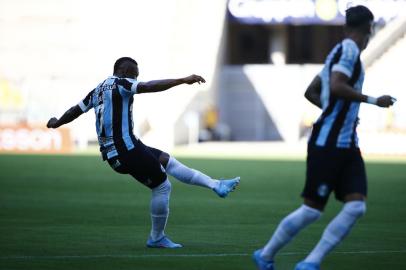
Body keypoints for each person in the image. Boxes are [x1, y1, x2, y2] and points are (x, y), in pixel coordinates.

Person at [253, 5, 396, 270]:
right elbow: (337, 86)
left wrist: (339, 111)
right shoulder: (350, 51)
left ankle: (311, 262)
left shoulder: (338, 52)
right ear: (369, 28)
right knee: (311, 210)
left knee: (356, 207)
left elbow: (312, 91)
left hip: (347, 143)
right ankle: (266, 254)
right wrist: (374, 100)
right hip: (328, 142)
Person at [47, 57, 240, 248]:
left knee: (167, 161)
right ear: (123, 71)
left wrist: (57, 122)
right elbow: (148, 86)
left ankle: (217, 185)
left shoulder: (97, 90)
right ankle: (156, 237)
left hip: (120, 150)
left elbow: (76, 110)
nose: (136, 79)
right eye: (134, 75)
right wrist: (182, 80)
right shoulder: (121, 83)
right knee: (162, 186)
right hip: (126, 149)